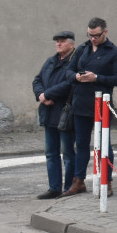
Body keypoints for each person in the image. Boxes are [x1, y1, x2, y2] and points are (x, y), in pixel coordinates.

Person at [61, 17, 117, 197]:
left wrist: (96, 78)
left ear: (105, 32)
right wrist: (76, 77)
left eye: (96, 35)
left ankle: (107, 181)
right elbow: (68, 71)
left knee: (104, 144)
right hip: (80, 103)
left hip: (102, 105)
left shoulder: (114, 52)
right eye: (90, 35)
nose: (93, 39)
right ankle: (79, 181)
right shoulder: (82, 49)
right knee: (81, 144)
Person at [32, 30, 77, 199]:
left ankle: (69, 188)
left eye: (62, 41)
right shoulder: (50, 61)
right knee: (51, 153)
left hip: (65, 113)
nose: (58, 44)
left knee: (67, 153)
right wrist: (41, 95)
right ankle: (54, 188)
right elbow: (37, 80)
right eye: (57, 41)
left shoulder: (75, 62)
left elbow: (69, 84)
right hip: (48, 112)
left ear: (71, 44)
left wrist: (48, 94)